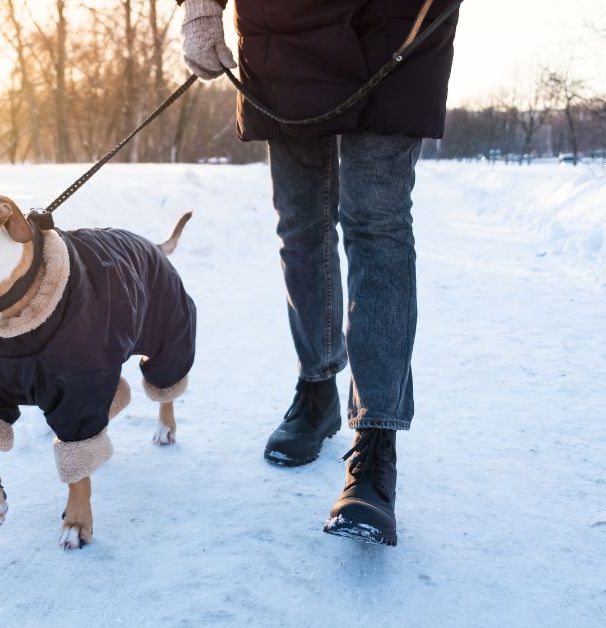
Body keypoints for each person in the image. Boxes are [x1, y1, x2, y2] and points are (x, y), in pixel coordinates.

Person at [178, 0, 459, 546]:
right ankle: (317, 384)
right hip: (284, 28)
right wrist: (199, 11)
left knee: (377, 224)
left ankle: (376, 444)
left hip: (396, 18)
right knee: (301, 222)